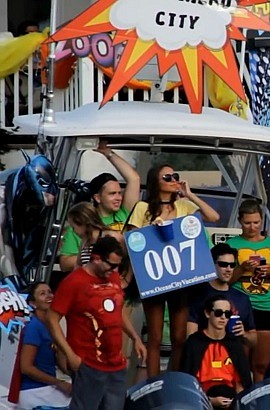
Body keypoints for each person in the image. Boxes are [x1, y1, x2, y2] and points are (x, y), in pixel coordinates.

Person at [126, 163, 220, 376]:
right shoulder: (142, 208)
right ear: (155, 183)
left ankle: (172, 380)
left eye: (174, 176)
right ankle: (153, 382)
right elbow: (132, 240)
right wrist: (153, 228)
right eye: (167, 177)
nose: (173, 179)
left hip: (181, 278)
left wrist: (189, 194)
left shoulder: (184, 206)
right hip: (155, 276)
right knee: (155, 337)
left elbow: (213, 217)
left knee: (179, 337)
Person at [47, 237, 146, 410]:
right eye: (112, 265)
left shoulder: (113, 276)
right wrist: (69, 354)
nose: (115, 270)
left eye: (118, 266)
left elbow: (118, 309)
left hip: (116, 364)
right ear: (97, 258)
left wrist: (135, 337)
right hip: (88, 363)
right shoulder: (73, 282)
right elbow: (52, 319)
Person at [226, 199, 270, 381]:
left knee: (262, 364)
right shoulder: (232, 244)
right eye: (247, 223)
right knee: (239, 362)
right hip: (240, 305)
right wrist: (242, 268)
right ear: (240, 221)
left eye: (256, 222)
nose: (252, 227)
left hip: (265, 305)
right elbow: (225, 280)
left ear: (262, 221)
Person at [59, 142, 141, 273]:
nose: (119, 198)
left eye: (120, 193)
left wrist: (108, 153)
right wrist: (99, 256)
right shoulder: (82, 223)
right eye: (112, 194)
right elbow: (64, 263)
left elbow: (134, 179)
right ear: (97, 198)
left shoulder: (124, 213)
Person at [181, 295, 252, 409]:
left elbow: (241, 383)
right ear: (208, 313)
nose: (223, 317)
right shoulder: (195, 342)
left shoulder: (234, 343)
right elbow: (188, 381)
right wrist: (209, 401)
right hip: (201, 397)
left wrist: (236, 403)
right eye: (219, 313)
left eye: (227, 314)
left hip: (230, 397)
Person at [187, 243, 257, 346]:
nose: (228, 269)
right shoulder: (198, 294)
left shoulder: (242, 298)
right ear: (212, 264)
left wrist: (244, 334)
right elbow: (190, 337)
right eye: (223, 264)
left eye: (232, 265)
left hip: (232, 357)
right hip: (205, 355)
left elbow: (254, 340)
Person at [17, 283, 72, 410]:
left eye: (50, 292)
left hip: (48, 389)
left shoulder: (52, 327)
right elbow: (26, 367)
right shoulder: (34, 327)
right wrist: (58, 383)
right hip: (36, 392)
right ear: (33, 303)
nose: (49, 296)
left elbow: (61, 362)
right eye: (42, 294)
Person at [59, 202, 125, 272]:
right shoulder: (85, 241)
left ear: (83, 223)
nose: (73, 231)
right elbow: (78, 266)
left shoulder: (113, 236)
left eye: (74, 227)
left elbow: (125, 264)